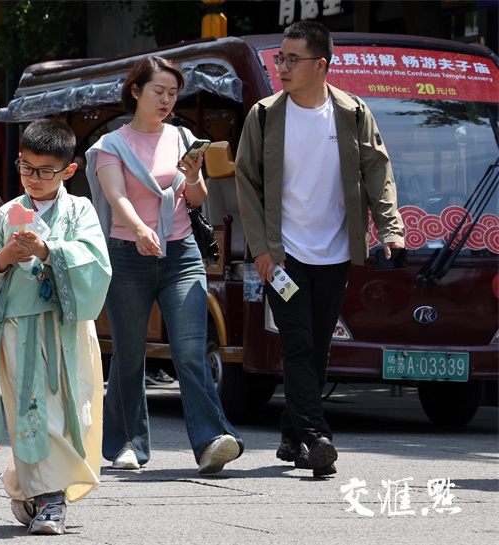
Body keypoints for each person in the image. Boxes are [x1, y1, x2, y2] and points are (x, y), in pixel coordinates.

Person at [234, 21, 404, 477]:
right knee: (297, 344)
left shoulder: (352, 112)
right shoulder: (265, 114)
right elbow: (246, 184)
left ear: (321, 65)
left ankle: (291, 436)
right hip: (283, 256)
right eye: (280, 58)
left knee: (317, 345)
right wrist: (263, 250)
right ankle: (316, 436)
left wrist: (391, 229)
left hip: (334, 253)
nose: (282, 67)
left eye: (292, 59)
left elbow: (377, 171)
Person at [85, 56, 243, 474]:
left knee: (190, 349)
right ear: (136, 91)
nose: (167, 100)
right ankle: (126, 444)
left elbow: (195, 198)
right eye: (159, 91)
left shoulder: (182, 138)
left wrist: (192, 175)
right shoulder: (110, 146)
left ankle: (212, 440)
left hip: (181, 253)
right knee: (130, 354)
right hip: (128, 253)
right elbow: (117, 197)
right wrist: (138, 228)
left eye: (173, 93)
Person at [0, 119, 111, 535]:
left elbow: (96, 263)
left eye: (46, 171)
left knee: (71, 416)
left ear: (69, 170)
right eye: (26, 168)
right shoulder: (5, 215)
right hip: (19, 329)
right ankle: (51, 504)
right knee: (35, 414)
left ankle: (25, 486)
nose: (34, 178)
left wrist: (48, 250)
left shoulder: (79, 209)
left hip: (65, 329)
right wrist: (2, 259)